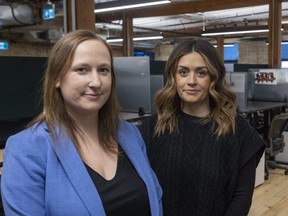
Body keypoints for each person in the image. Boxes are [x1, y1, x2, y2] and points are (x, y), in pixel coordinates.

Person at [1, 30, 162, 216]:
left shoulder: (130, 134)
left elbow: (155, 198)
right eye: (82, 70)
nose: (96, 82)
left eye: (103, 70)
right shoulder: (27, 149)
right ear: (57, 79)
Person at [138, 39, 266, 216]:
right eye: (183, 72)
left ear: (213, 77)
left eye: (201, 73)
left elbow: (242, 196)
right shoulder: (152, 128)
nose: (191, 81)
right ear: (173, 77)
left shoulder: (237, 130)